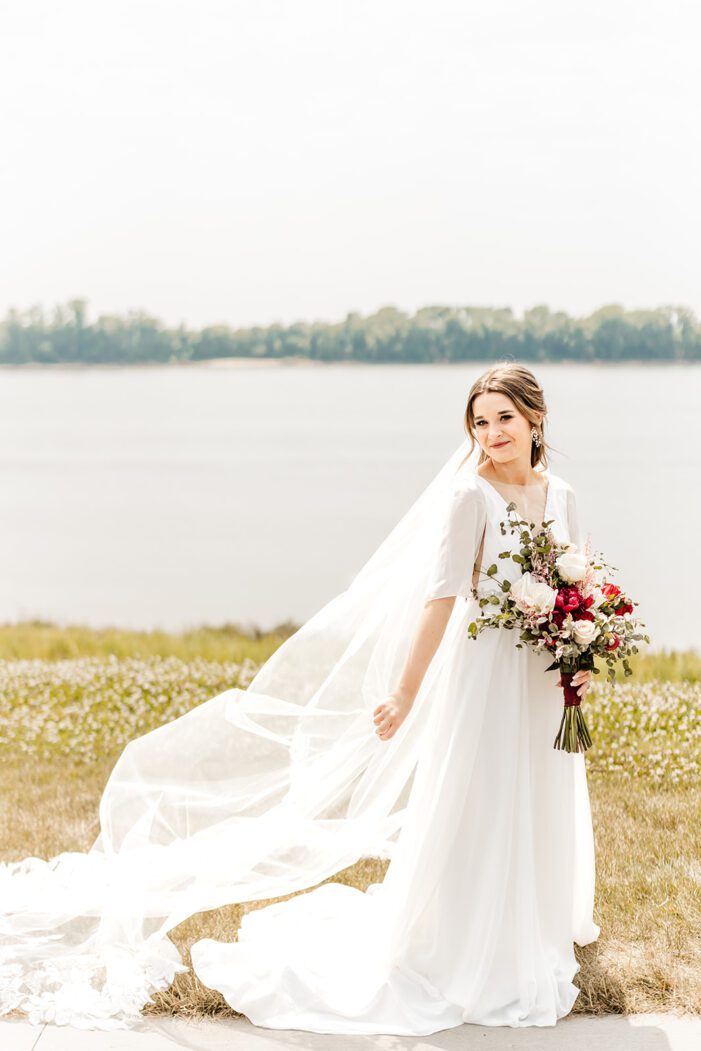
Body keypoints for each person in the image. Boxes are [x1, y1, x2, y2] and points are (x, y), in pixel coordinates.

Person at [0, 362, 600, 1035]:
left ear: (534, 419)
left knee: (539, 782)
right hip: (484, 670)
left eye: (503, 419)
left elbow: (575, 579)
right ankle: (471, 931)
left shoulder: (561, 494)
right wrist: (404, 693)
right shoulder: (469, 497)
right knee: (483, 789)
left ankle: (537, 916)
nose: (490, 433)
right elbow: (439, 600)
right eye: (480, 421)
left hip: (542, 671)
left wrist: (579, 644)